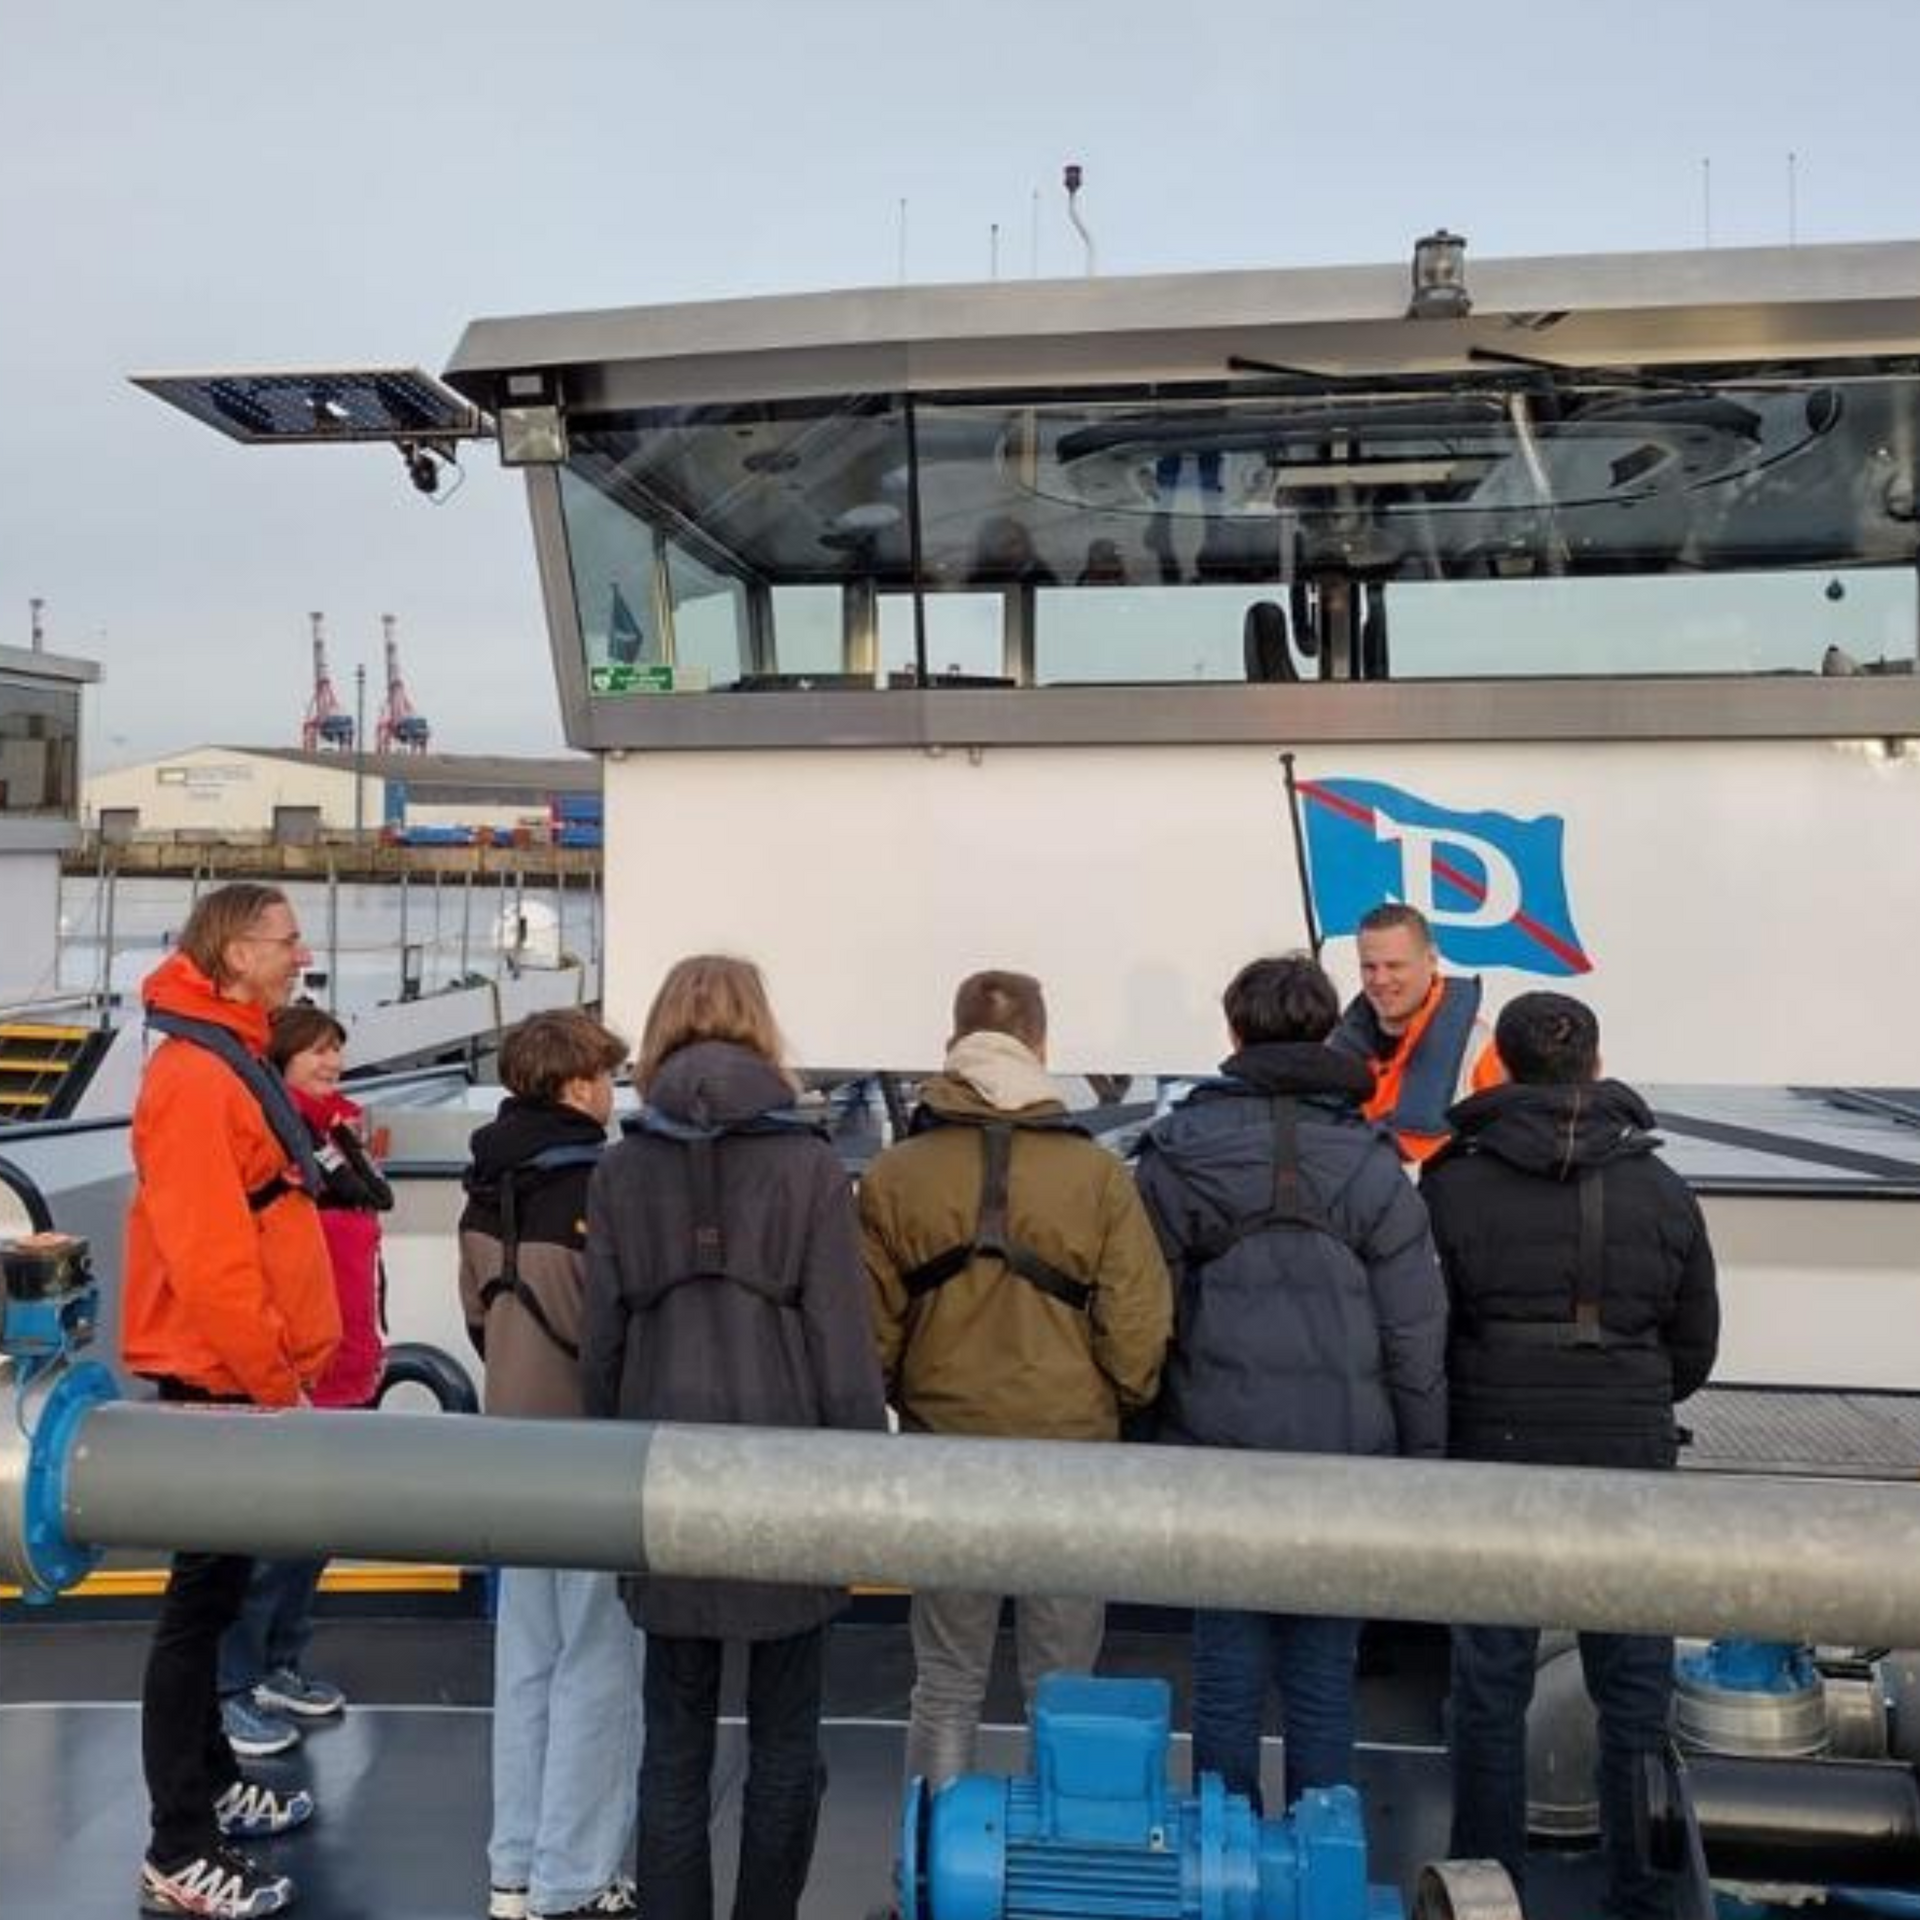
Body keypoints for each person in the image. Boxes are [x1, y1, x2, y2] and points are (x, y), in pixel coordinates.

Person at [580, 955, 887, 1920]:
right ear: (761, 1023)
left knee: (672, 1744)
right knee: (786, 1742)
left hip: (658, 1471)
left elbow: (602, 1341)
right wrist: (859, 1489)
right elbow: (842, 1340)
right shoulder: (809, 1165)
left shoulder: (622, 1166)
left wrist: (604, 1468)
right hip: (788, 1477)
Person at [1421, 992, 1720, 1920]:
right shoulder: (1662, 1187)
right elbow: (1695, 1347)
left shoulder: (1453, 1183)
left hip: (1496, 1442)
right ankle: (1642, 1893)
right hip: (1628, 1449)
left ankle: (1485, 1888)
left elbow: (1428, 1333)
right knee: (1633, 1687)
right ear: (1595, 1063)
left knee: (1489, 1681)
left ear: (1503, 1067)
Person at [1133, 952, 1446, 1811]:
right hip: (1341, 1455)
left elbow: (1141, 1319)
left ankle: (1225, 1856)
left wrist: (1139, 1442)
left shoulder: (1177, 1155)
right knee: (1322, 1675)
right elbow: (1414, 1332)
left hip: (1216, 1450)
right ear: (1327, 1029)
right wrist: (1424, 1468)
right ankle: (1323, 1854)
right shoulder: (1373, 1163)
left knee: (1225, 1671)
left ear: (1234, 1032)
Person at [860, 969, 1172, 1789]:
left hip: (946, 1450)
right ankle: (1053, 1856)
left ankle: (930, 1853)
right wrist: (1116, 1401)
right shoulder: (1098, 1176)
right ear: (1040, 1045)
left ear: (952, 1043)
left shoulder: (896, 1173)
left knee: (947, 1681)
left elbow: (870, 1331)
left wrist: (910, 1396)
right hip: (1071, 1453)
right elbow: (1138, 1329)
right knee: (1063, 1687)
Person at [121, 883, 340, 1918]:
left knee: (209, 1608)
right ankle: (179, 1843)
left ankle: (207, 1787)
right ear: (235, 952)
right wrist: (277, 1388)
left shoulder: (224, 1058)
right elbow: (211, 1259)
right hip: (222, 1382)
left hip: (237, 1377)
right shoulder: (196, 1079)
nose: (302, 955)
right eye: (287, 939)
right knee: (196, 1614)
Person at [460, 1009, 642, 1920]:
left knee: (525, 1661)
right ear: (577, 1085)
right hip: (594, 1455)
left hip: (510, 1449)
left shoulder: (483, 1184)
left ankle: (514, 1871)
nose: (612, 1093)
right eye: (607, 1077)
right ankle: (575, 1877)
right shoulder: (601, 1183)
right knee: (598, 1665)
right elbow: (619, 1326)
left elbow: (478, 1318)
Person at [217, 1006, 391, 1760]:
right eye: (317, 1051)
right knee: (268, 1540)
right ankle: (233, 1685)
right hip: (295, 1368)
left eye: (336, 1051)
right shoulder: (276, 1139)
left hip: (347, 1362)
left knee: (313, 1534)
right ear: (281, 1059)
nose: (331, 1063)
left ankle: (279, 1661)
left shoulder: (339, 1136)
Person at [1328, 902, 1504, 1163]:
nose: (1380, 980)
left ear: (1431, 959)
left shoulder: (1480, 1050)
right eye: (1369, 967)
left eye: (1394, 966)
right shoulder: (1333, 1049)